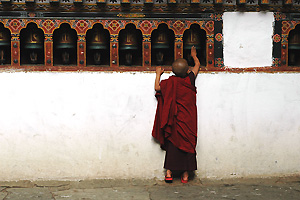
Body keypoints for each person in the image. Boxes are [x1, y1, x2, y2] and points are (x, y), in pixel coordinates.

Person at [152, 46, 200, 183]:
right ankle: (185, 174)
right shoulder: (190, 79)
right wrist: (194, 56)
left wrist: (158, 74)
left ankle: (169, 172)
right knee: (189, 145)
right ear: (187, 71)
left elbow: (157, 88)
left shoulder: (169, 82)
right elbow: (197, 65)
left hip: (175, 120)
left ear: (172, 71)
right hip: (188, 120)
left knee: (173, 145)